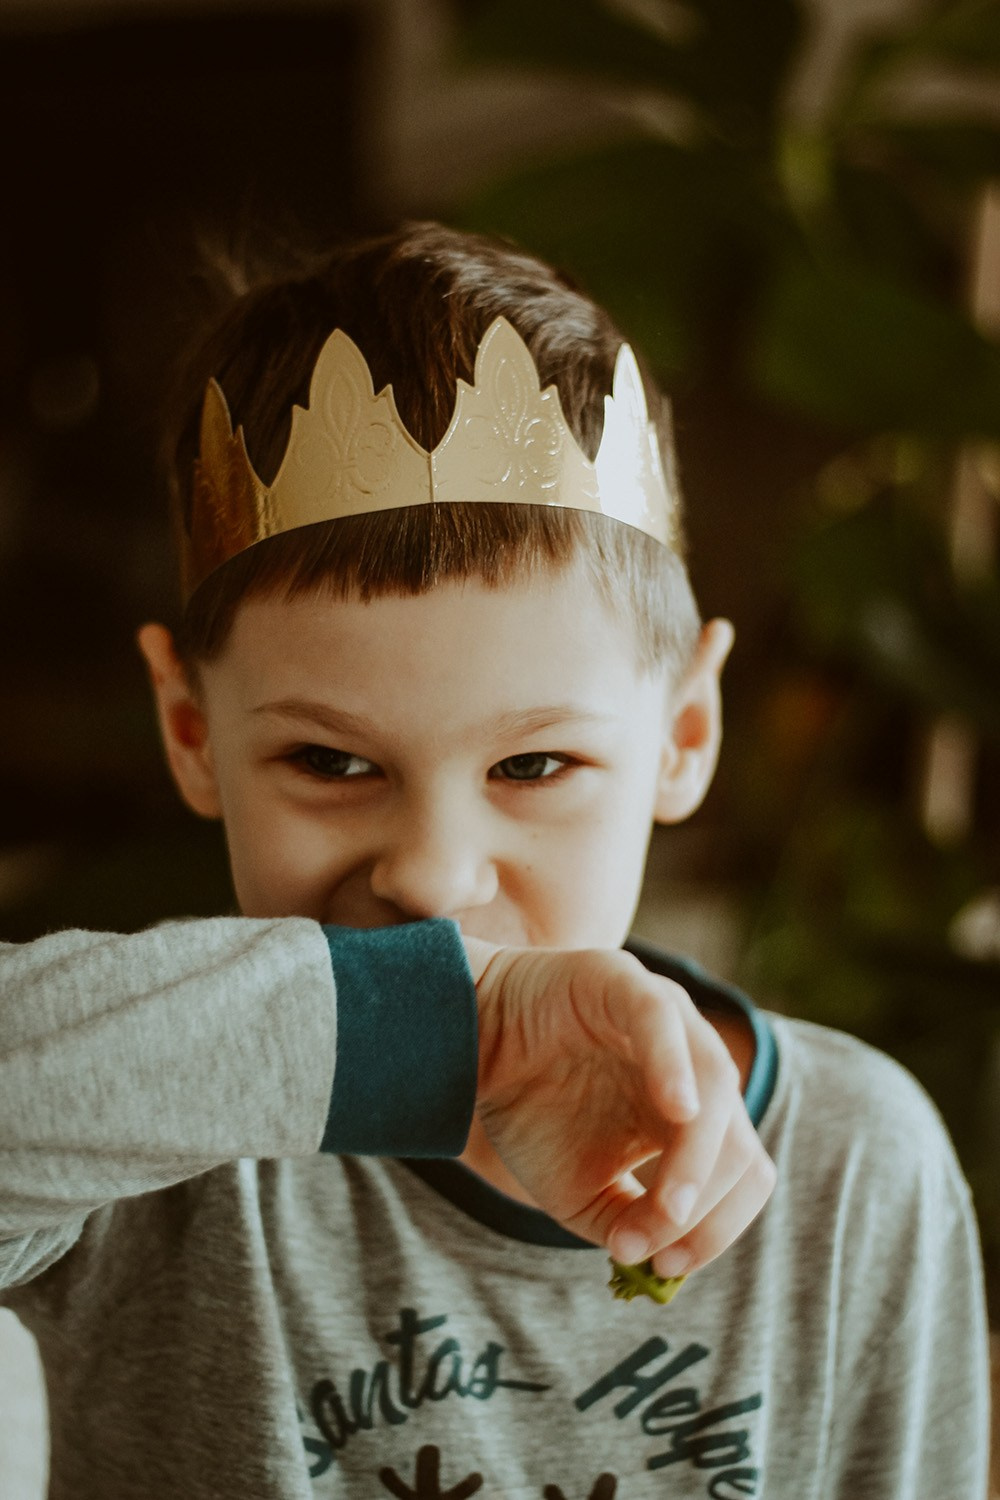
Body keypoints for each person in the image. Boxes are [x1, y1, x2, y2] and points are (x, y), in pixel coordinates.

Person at [0, 222, 988, 1499]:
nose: (430, 875)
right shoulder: (151, 1137)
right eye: (331, 763)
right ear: (192, 730)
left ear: (684, 734)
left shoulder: (856, 1165)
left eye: (532, 769)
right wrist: (450, 1020)